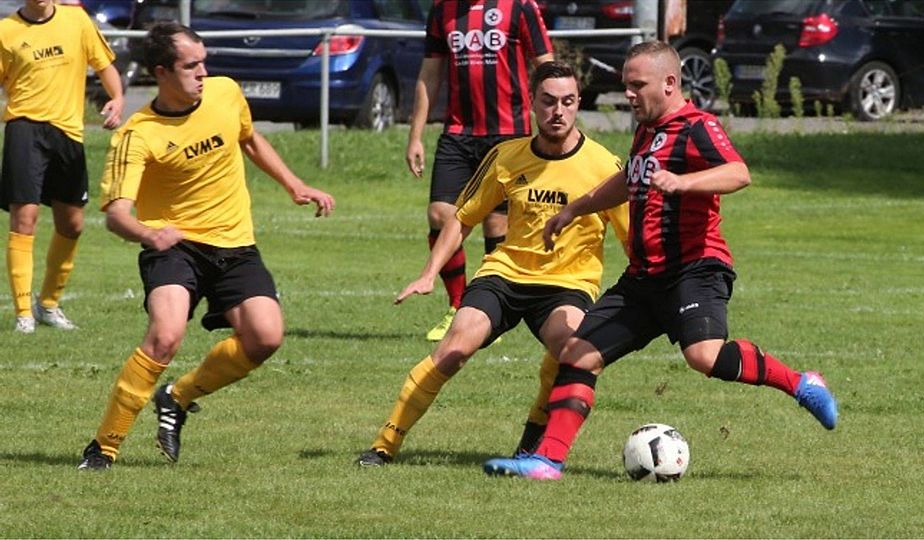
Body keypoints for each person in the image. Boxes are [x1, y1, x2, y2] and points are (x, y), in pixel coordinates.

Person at [483, 41, 839, 480]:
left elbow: (738, 172)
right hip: (643, 277)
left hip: (694, 268)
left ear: (670, 83)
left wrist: (683, 182)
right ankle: (547, 460)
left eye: (637, 86)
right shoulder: (647, 129)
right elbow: (628, 178)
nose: (629, 95)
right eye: (626, 86)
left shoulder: (697, 126)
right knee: (577, 353)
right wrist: (574, 209)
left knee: (704, 357)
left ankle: (802, 383)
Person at [77, 22, 335, 470]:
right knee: (165, 336)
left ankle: (177, 397)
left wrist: (295, 185)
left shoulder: (225, 92)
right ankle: (104, 447)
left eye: (204, 62)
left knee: (265, 336)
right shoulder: (139, 135)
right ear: (161, 72)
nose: (203, 72)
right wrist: (149, 234)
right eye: (191, 65)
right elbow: (117, 213)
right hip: (175, 247)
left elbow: (249, 138)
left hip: (235, 243)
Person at [357, 61, 629, 467]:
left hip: (567, 283)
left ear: (578, 104)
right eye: (549, 101)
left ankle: (531, 443)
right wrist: (429, 273)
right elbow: (463, 218)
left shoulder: (605, 167)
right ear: (532, 103)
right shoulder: (506, 156)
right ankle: (384, 444)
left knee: (569, 349)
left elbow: (635, 238)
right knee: (454, 348)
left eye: (568, 102)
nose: (559, 111)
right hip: (504, 275)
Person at [409, 0, 553, 341]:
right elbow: (430, 74)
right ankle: (458, 306)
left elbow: (547, 67)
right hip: (459, 133)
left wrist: (551, 122)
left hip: (509, 133)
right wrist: (415, 135)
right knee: (440, 214)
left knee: (496, 221)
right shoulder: (442, 10)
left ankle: (492, 312)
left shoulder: (520, 7)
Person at [0, 0, 124, 333]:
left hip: (68, 133)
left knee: (72, 224)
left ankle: (48, 305)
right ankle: (23, 313)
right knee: (24, 218)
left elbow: (105, 65)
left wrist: (117, 97)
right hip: (24, 128)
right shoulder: (6, 31)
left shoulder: (77, 20)